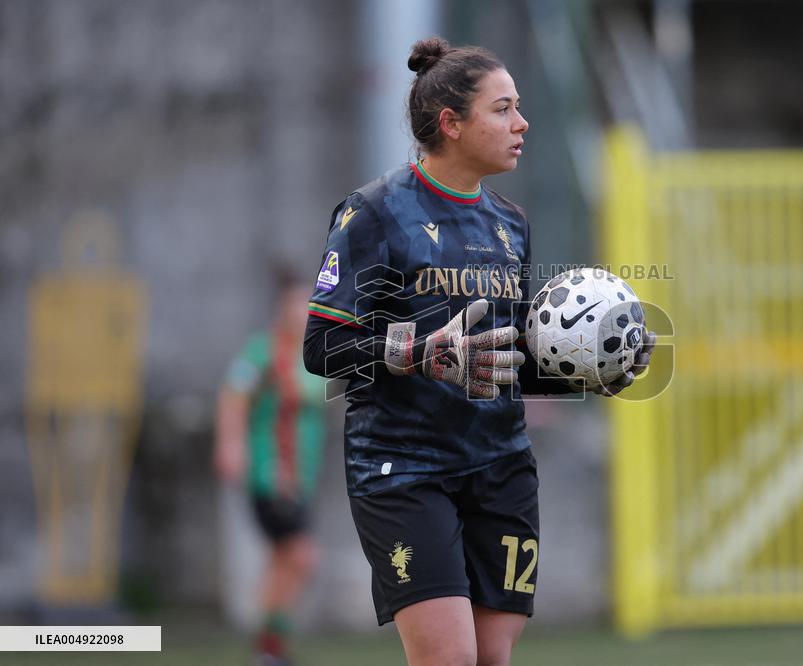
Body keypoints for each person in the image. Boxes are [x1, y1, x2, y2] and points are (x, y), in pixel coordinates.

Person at [303, 37, 655, 666]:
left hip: (501, 469)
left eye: (518, 108)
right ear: (451, 123)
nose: (521, 123)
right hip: (404, 470)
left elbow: (508, 362)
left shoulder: (510, 224)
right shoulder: (374, 214)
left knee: (490, 658)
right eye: (503, 109)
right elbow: (322, 346)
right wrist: (419, 353)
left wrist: (595, 365)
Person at [215, 270, 328, 666]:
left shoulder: (312, 355)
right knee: (301, 555)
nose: (303, 312)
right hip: (271, 472)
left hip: (301, 476)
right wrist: (230, 445)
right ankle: (268, 647)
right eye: (297, 303)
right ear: (282, 309)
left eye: (308, 304)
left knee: (284, 558)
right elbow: (233, 393)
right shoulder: (263, 351)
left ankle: (269, 649)